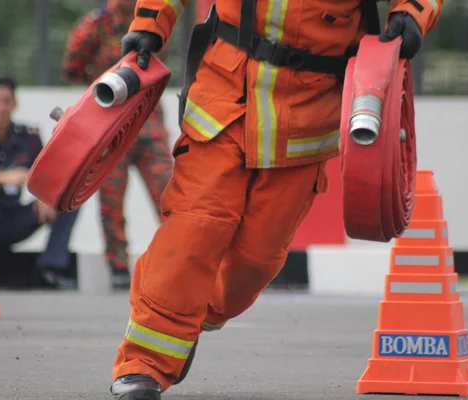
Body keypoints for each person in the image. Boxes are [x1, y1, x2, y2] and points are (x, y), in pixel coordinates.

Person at [108, 0, 444, 399]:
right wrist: (151, 21)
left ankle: (187, 315)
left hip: (307, 119)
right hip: (224, 100)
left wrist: (412, 14)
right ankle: (142, 365)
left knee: (256, 261)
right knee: (192, 231)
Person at [61, 0, 173, 291]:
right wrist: (100, 85)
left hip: (149, 124)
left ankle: (179, 260)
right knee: (111, 202)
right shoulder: (94, 26)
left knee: (170, 198)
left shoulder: (154, 19)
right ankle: (119, 266)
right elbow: (71, 67)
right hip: (112, 129)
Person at [0, 76, 80, 290]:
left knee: (67, 199)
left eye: (6, 101)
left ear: (15, 104)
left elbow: (47, 172)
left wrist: (44, 197)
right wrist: (4, 177)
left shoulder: (28, 136)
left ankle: (51, 268)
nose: (1, 108)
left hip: (14, 218)